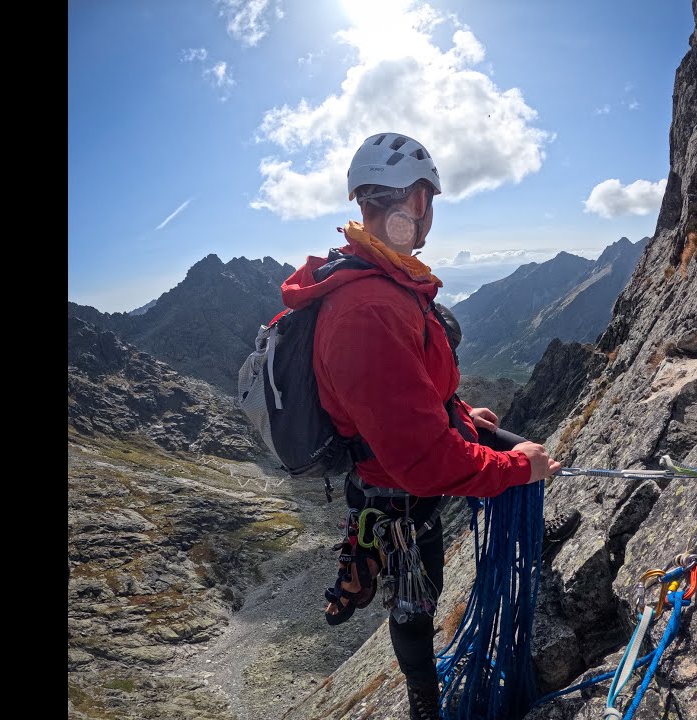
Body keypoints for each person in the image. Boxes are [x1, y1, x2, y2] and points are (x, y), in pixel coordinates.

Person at [280, 132, 577, 720]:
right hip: (399, 495)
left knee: (414, 595)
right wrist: (519, 465)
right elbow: (421, 459)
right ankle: (425, 706)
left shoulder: (380, 282)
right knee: (415, 602)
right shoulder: (369, 309)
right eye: (429, 203)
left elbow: (414, 392)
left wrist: (462, 416)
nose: (430, 218)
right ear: (415, 201)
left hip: (390, 483)